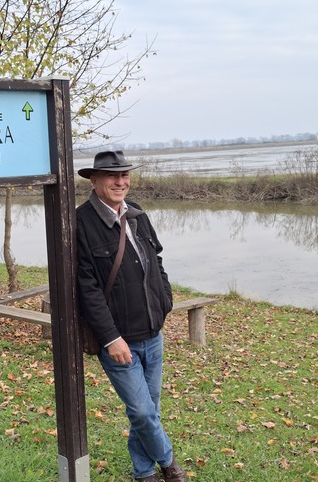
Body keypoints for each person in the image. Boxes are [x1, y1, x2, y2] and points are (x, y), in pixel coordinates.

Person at [75, 151, 186, 482]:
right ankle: (168, 464)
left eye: (124, 175)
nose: (120, 181)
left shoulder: (137, 214)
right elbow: (87, 289)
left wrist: (164, 300)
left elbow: (157, 258)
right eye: (112, 176)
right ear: (94, 181)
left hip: (153, 333)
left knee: (149, 411)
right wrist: (111, 338)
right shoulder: (81, 223)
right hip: (119, 341)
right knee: (141, 410)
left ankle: (142, 472)